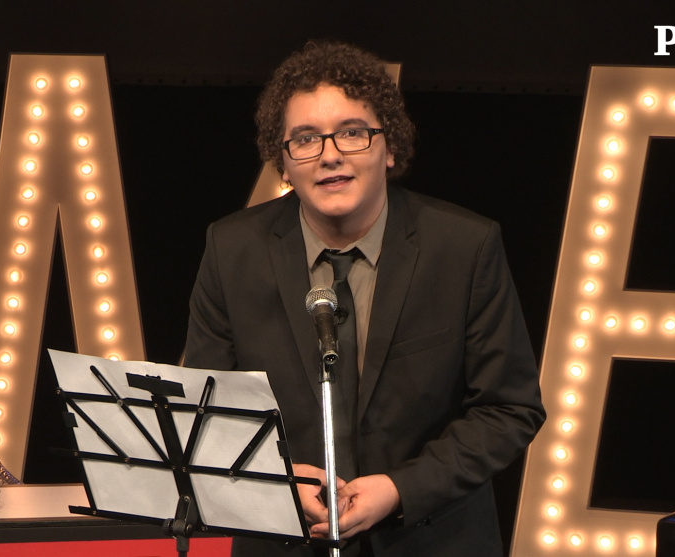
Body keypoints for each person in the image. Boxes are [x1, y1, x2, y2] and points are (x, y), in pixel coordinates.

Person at [183, 41, 545, 556]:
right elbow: (205, 409)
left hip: (430, 541)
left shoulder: (464, 247)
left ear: (389, 147)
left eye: (352, 132)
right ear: (283, 164)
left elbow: (508, 409)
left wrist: (400, 490)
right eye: (305, 139)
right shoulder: (231, 249)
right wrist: (276, 479)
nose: (330, 154)